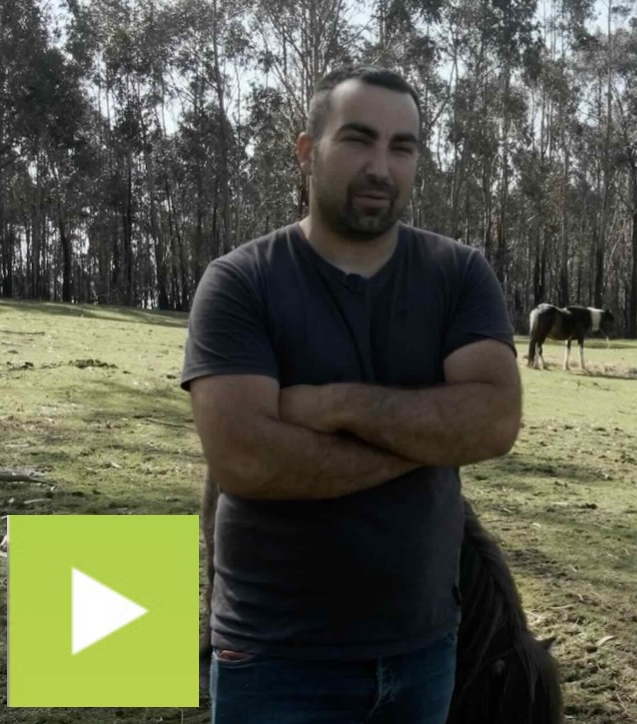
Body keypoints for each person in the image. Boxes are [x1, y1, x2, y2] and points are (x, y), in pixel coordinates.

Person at [181, 64, 522, 723]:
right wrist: (428, 440)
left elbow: (494, 420)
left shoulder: (458, 275)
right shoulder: (240, 283)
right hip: (274, 660)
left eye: (403, 147)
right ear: (308, 152)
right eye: (358, 140)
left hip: (425, 651)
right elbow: (246, 461)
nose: (381, 167)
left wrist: (333, 406)